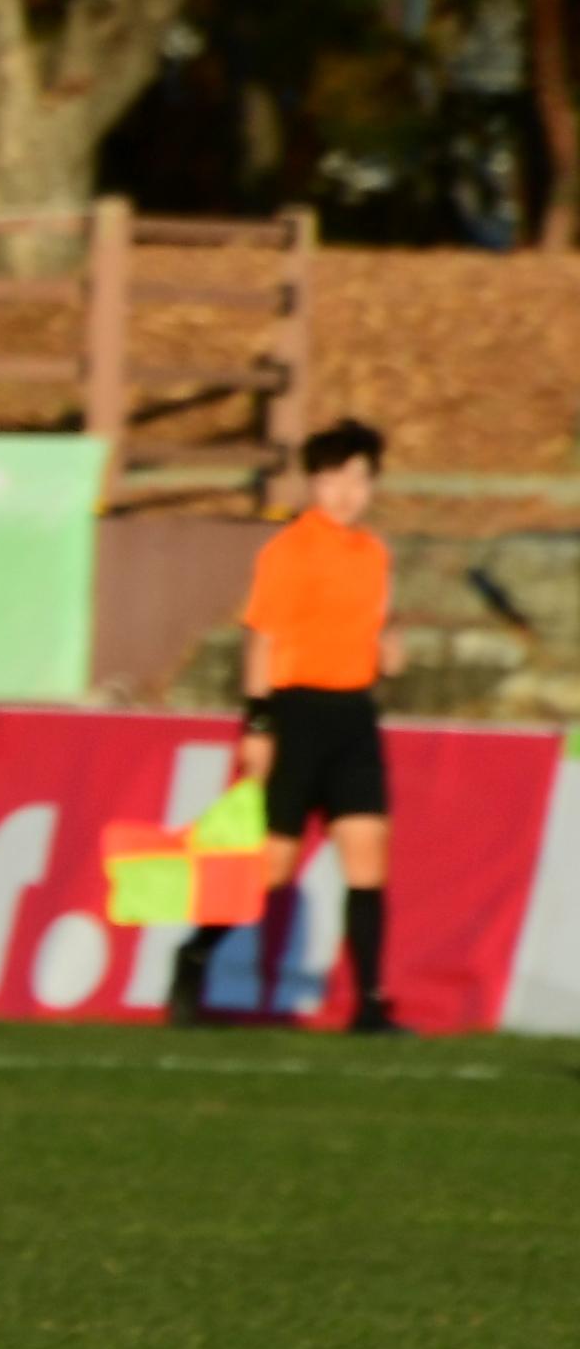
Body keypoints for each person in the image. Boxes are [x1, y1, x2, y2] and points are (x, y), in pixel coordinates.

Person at [188, 419, 408, 1035]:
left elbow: (375, 629)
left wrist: (388, 656)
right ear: (313, 482)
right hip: (295, 714)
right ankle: (195, 956)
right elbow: (261, 637)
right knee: (273, 867)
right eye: (333, 478)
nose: (345, 492)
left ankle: (369, 1002)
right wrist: (258, 724)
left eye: (358, 479)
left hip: (354, 717)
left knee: (367, 857)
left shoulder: (374, 554)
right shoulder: (288, 551)